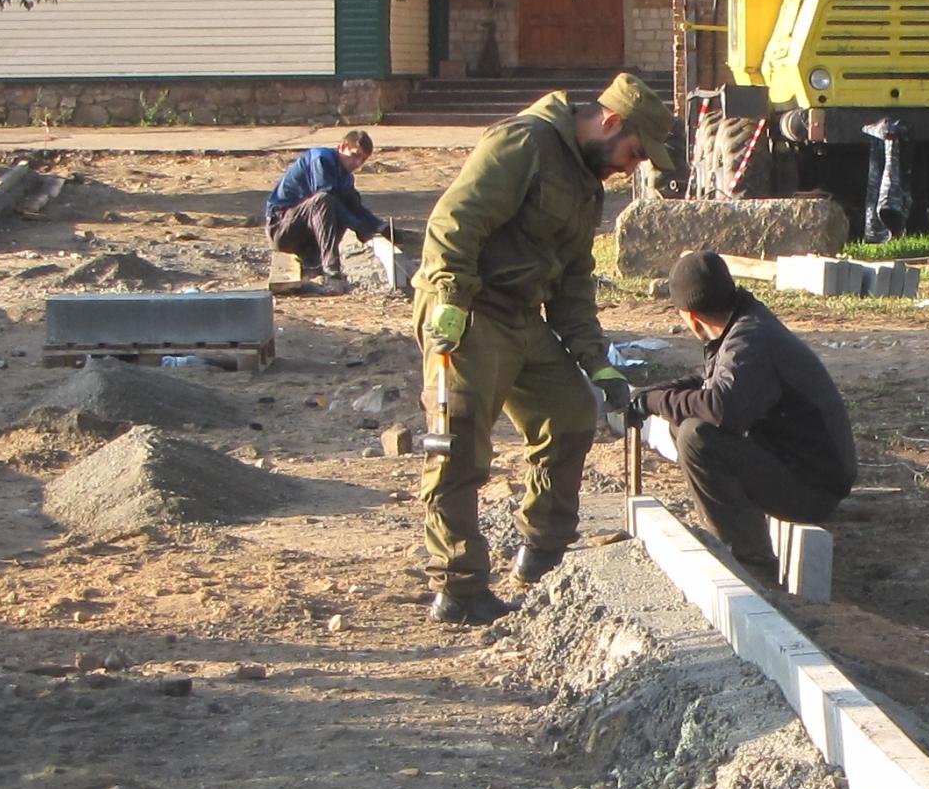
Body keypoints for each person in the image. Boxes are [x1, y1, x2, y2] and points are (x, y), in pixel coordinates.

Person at [412, 73, 673, 623]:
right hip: (470, 310)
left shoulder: (588, 183)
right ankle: (459, 588)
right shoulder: (523, 141)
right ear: (611, 122)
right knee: (459, 445)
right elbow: (455, 222)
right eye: (634, 153)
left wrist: (597, 364)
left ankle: (543, 551)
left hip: (523, 317)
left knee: (570, 415)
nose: (632, 168)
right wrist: (451, 300)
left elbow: (574, 281)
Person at [641, 250, 856, 577]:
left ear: (691, 316)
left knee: (696, 437)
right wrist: (654, 394)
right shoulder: (744, 323)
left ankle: (752, 567)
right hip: (803, 468)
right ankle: (732, 539)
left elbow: (719, 408)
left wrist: (654, 402)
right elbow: (708, 380)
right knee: (684, 422)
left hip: (813, 488)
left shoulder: (749, 339)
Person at [263, 129, 391, 290]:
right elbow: (325, 198)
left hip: (304, 234)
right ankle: (331, 270)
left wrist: (380, 227)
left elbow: (355, 208)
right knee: (325, 201)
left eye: (363, 159)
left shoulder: (346, 177)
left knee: (346, 202)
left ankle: (314, 263)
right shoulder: (321, 159)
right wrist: (358, 227)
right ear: (342, 147)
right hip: (282, 228)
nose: (357, 163)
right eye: (355, 155)